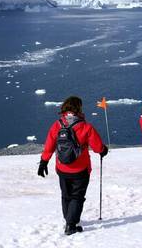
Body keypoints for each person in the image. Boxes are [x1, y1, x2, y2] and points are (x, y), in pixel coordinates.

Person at [38, 96, 108, 235]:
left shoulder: (57, 125)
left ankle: (69, 218)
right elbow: (98, 147)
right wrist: (103, 151)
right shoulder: (85, 127)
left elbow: (49, 146)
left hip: (62, 168)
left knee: (66, 195)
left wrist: (43, 162)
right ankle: (71, 225)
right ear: (79, 108)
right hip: (80, 169)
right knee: (77, 196)